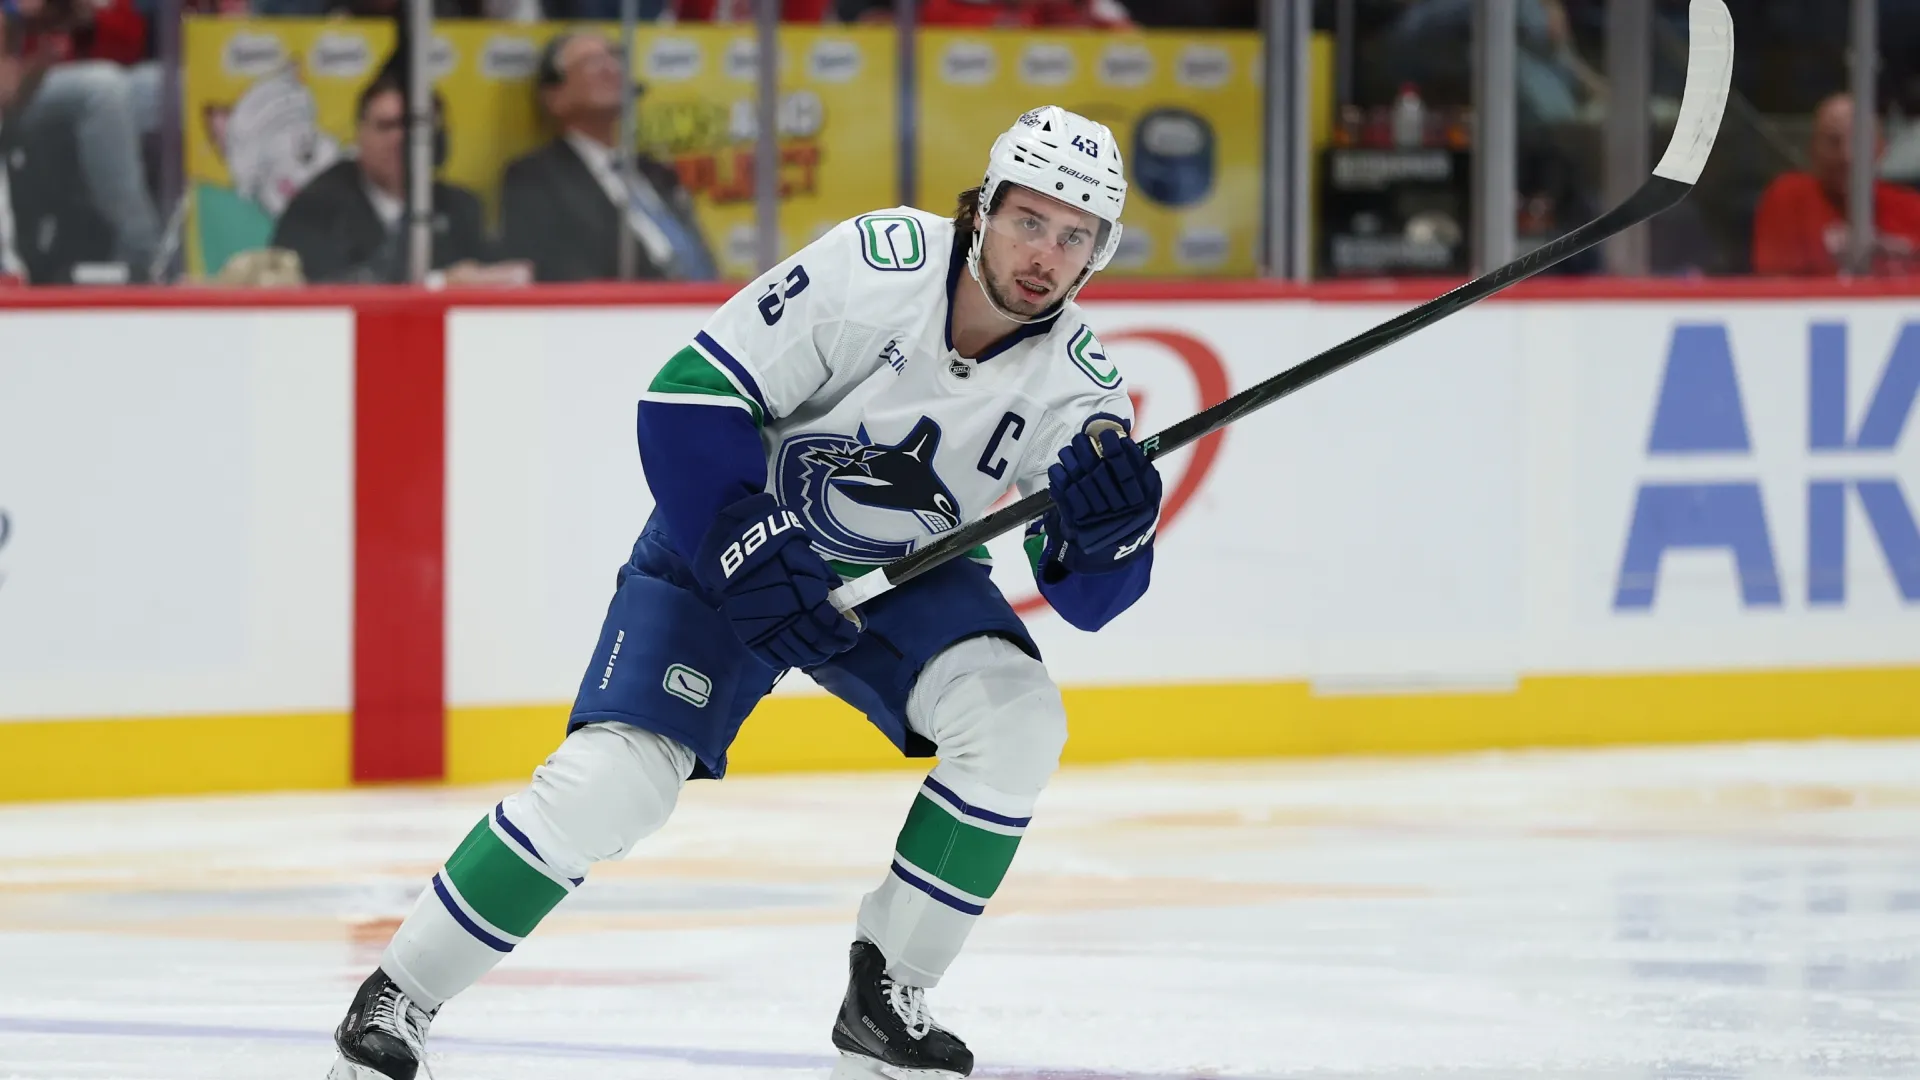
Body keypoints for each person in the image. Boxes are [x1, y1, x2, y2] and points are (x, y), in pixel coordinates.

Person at [327, 104, 1158, 1080]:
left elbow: (1094, 600)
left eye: (1074, 237)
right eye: (1030, 220)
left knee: (1016, 720)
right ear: (983, 208)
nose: (1045, 255)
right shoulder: (875, 265)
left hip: (902, 576)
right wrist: (746, 544)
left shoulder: (1081, 387)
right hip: (735, 533)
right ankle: (401, 992)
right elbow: (684, 399)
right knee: (616, 784)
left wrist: (1112, 529)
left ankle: (888, 992)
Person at [498, 30, 715, 282]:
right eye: (591, 62)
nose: (611, 69)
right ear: (554, 97)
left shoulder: (656, 171)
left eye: (615, 57)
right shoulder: (535, 177)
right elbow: (558, 273)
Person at [270, 74, 523, 285]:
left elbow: (501, 276)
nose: (400, 139)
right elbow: (319, 293)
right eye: (386, 125)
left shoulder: (460, 207)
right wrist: (439, 284)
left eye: (414, 127)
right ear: (360, 134)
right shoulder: (316, 206)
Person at [1751, 92, 1920, 276]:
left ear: (1880, 148)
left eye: (1858, 142)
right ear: (1812, 148)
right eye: (1833, 142)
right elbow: (1774, 283)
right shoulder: (1787, 197)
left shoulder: (1911, 208)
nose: (1847, 155)